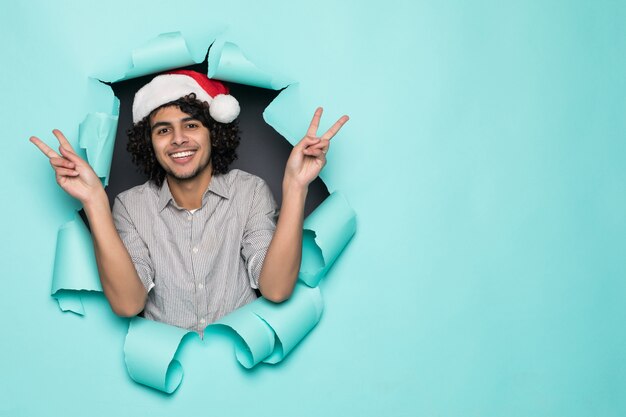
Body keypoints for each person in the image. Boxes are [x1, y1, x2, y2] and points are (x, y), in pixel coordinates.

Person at [31, 70, 348, 333]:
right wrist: (93, 200)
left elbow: (276, 289)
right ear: (150, 143)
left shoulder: (250, 191)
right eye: (163, 130)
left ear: (214, 133)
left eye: (191, 125)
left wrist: (295, 185)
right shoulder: (130, 206)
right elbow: (128, 304)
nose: (178, 139)